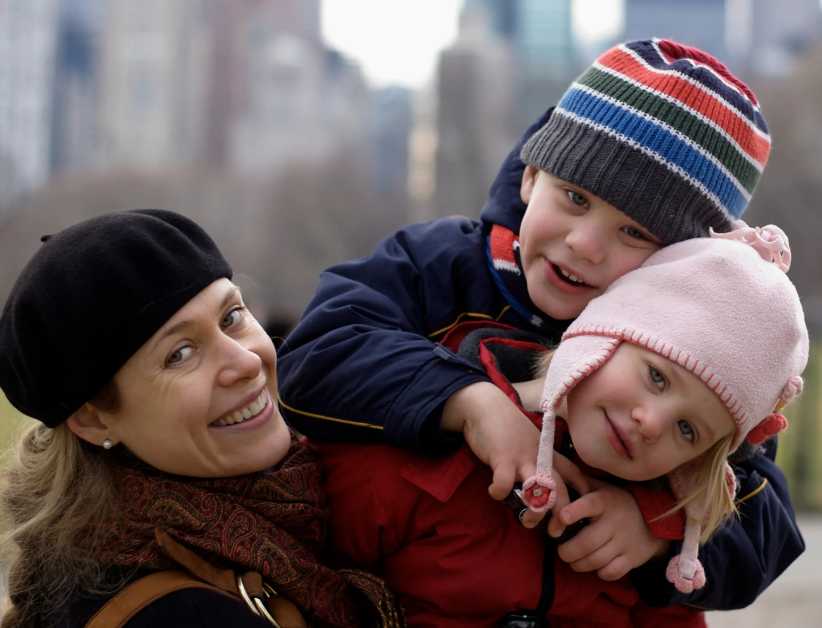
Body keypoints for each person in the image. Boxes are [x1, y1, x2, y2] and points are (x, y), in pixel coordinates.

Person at [278, 38, 805, 624]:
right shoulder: (442, 267)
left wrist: (656, 535)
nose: (585, 244)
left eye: (635, 233)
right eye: (574, 197)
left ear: (683, 263)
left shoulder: (700, 356)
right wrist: (470, 403)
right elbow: (316, 354)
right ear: (532, 175)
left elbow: (766, 520)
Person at [0, 210, 401, 627]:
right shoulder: (177, 615)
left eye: (231, 318)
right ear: (93, 421)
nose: (246, 362)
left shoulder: (312, 514)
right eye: (180, 354)